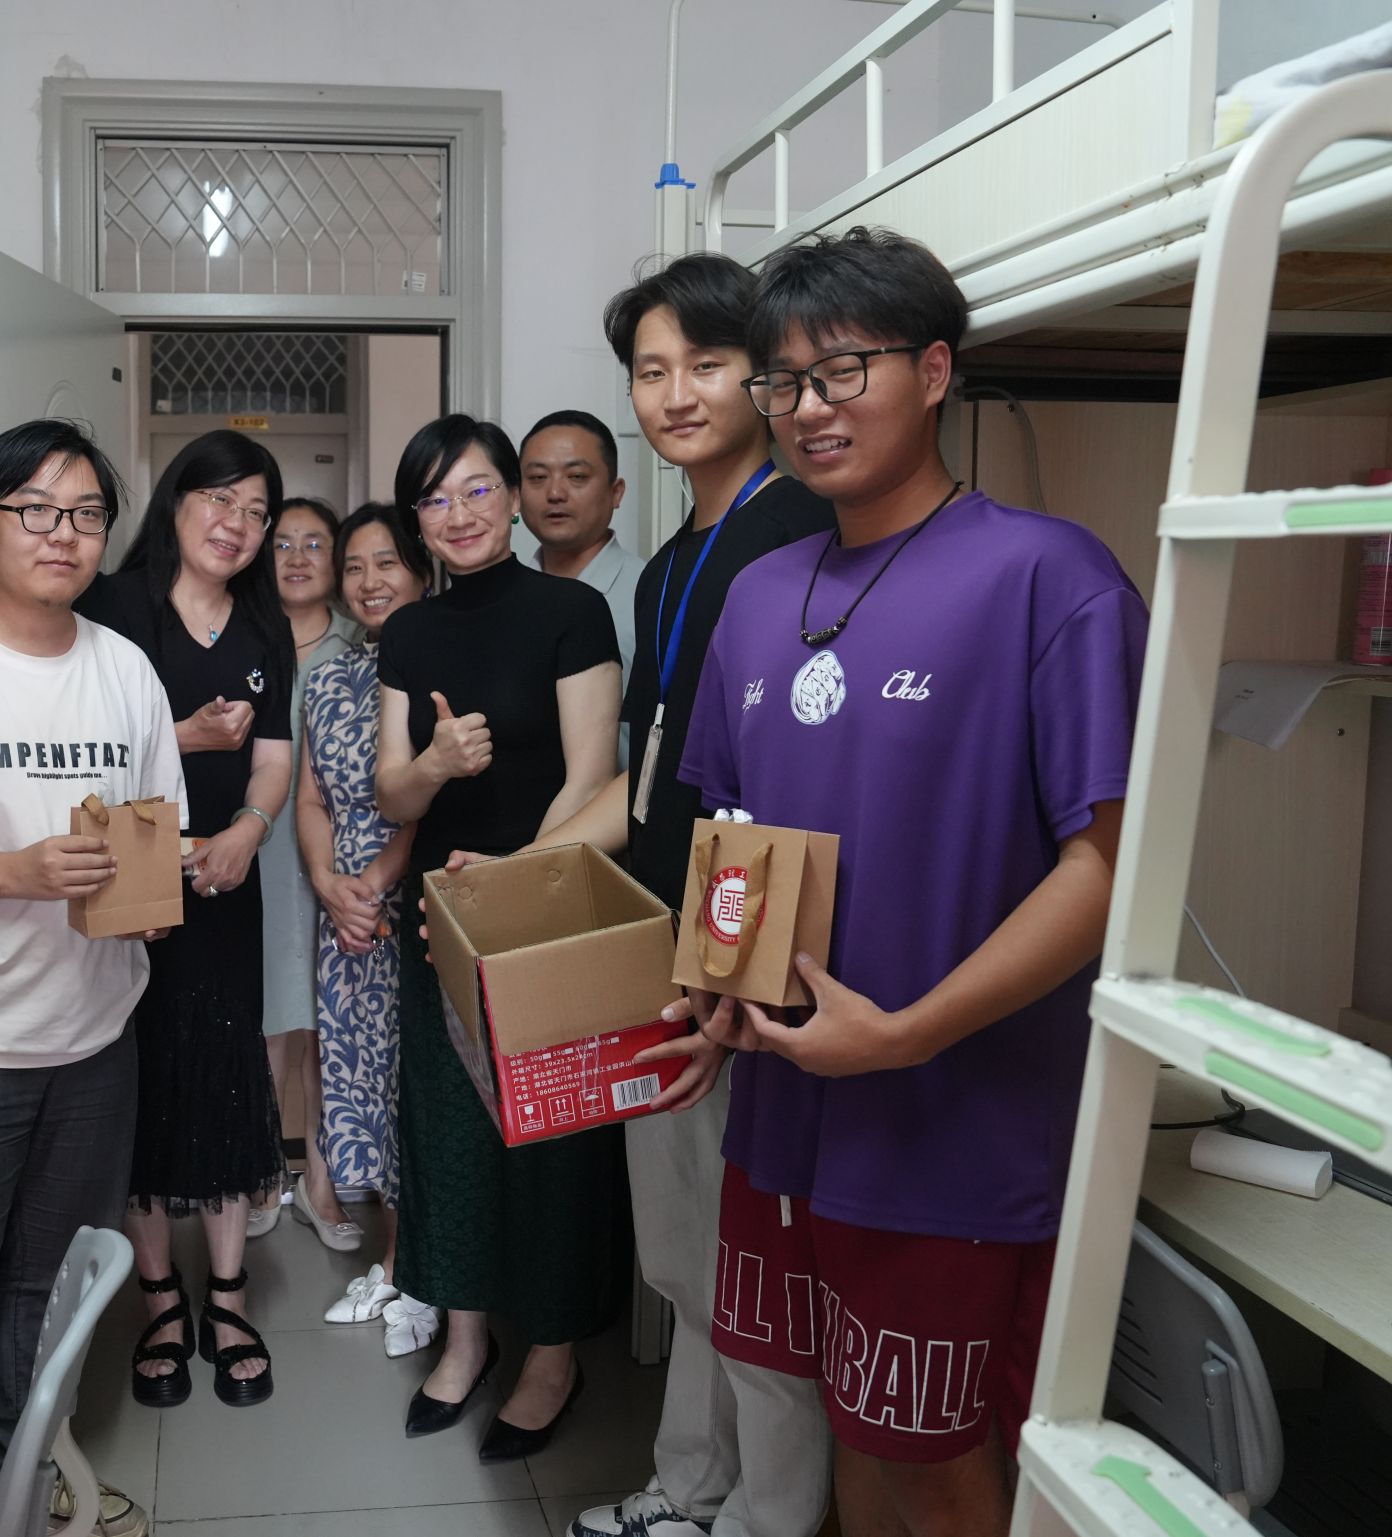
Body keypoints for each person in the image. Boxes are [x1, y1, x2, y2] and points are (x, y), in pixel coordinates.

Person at [679, 226, 1144, 1537]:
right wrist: (712, 986)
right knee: (842, 1423)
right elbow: (733, 832)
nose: (807, 408)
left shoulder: (1049, 577)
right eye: (782, 381)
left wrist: (907, 1032)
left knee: (940, 1457)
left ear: (933, 371)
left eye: (843, 371)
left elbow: (1106, 865)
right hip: (785, 1110)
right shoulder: (759, 595)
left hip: (955, 1121)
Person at [537, 254, 838, 1537]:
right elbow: (650, 777)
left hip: (739, 971)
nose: (675, 394)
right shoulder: (669, 567)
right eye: (650, 371)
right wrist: (525, 873)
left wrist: (721, 977)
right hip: (665, 954)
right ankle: (688, 1485)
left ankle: (766, 1513)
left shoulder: (799, 534)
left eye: (705, 365)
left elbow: (780, 795)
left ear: (761, 376)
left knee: (752, 1271)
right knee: (680, 1255)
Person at [0, 419, 179, 1534]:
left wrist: (157, 884)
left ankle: (21, 1481)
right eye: (37, 511)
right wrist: (16, 871)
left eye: (87, 514)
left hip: (96, 1036)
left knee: (45, 1296)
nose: (64, 534)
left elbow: (156, 828)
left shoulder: (124, 668)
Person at [375, 414, 625, 1462]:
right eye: (435, 499)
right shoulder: (408, 632)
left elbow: (593, 777)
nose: (459, 513)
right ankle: (466, 1338)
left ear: (513, 498)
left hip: (545, 915)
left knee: (554, 1142)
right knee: (452, 1134)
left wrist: (517, 887)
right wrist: (435, 762)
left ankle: (552, 1354)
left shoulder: (572, 612)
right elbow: (393, 793)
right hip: (438, 918)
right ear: (417, 520)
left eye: (478, 489)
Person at [77, 429, 293, 1410]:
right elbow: (83, 744)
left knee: (227, 1072)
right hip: (133, 883)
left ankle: (228, 1292)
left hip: (227, 882)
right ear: (176, 500)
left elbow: (275, 757)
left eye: (256, 511)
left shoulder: (263, 624)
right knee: (147, 1075)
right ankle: (160, 1297)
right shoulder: (114, 606)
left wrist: (250, 827)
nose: (236, 524)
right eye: (219, 500)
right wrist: (187, 737)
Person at [298, 503, 434, 1355]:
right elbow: (312, 797)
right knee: (370, 1082)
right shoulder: (328, 676)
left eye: (387, 563)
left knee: (420, 1083)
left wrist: (375, 887)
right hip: (345, 908)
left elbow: (434, 798)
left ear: (421, 569)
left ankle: (418, 1267)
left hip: (411, 902)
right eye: (354, 565)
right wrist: (329, 885)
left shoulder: (442, 656)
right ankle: (395, 1258)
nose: (370, 580)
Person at [253, 494, 360, 1248]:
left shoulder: (361, 644)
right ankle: (263, 1170)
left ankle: (321, 1181)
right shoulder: (242, 635)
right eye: (282, 543)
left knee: (330, 1024)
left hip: (338, 856)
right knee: (266, 1020)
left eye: (314, 543)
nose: (296, 557)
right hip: (259, 849)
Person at [519, 409, 643, 757]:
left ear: (616, 492)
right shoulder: (507, 598)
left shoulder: (650, 593)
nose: (555, 493)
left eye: (576, 476)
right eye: (537, 477)